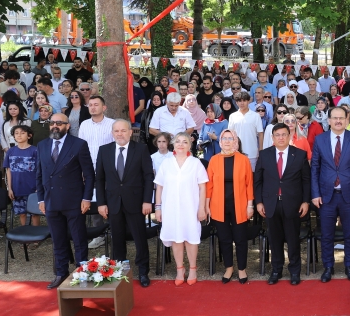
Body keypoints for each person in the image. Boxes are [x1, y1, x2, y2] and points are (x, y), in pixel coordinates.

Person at [35, 112, 94, 289]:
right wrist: (40, 199)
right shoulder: (42, 145)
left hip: (74, 200)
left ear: (67, 126)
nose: (55, 126)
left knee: (79, 239)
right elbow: (39, 174)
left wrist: (86, 198)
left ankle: (82, 273)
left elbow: (89, 175)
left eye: (59, 123)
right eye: (52, 123)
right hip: (50, 201)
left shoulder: (79, 144)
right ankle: (61, 273)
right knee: (58, 239)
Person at [95, 120, 155, 287]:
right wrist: (101, 203)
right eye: (116, 131)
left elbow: (148, 177)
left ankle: (143, 271)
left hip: (136, 202)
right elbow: (99, 179)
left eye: (123, 130)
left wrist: (147, 200)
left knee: (139, 238)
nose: (120, 134)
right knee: (117, 238)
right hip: (112, 202)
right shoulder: (104, 150)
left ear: (130, 132)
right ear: (112, 133)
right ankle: (119, 270)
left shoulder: (141, 149)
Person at [311, 106, 350, 283]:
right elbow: (314, 169)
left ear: (347, 120)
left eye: (341, 118)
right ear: (328, 121)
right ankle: (328, 267)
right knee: (327, 235)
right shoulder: (320, 140)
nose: (338, 121)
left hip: (349, 196)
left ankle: (349, 266)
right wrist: (315, 194)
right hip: (326, 196)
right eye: (334, 118)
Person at [255, 122, 310, 285]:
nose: (280, 138)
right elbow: (258, 181)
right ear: (272, 137)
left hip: (292, 204)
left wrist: (305, 201)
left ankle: (295, 271)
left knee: (293, 239)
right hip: (270, 204)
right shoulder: (264, 155)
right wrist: (259, 202)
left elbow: (306, 181)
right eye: (277, 135)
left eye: (283, 134)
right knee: (275, 239)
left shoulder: (299, 154)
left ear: (289, 136)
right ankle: (276, 270)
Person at [154, 132, 209, 286]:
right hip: (170, 208)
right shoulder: (166, 163)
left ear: (189, 145)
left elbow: (202, 187)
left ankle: (192, 268)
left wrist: (202, 208)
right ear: (173, 144)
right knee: (176, 238)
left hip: (190, 208)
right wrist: (158, 208)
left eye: (184, 142)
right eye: (178, 141)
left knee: (190, 238)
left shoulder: (196, 163)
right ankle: (180, 269)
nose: (180, 144)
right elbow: (159, 187)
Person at [205, 129, 254, 284]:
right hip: (218, 206)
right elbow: (209, 185)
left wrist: (250, 205)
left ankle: (242, 269)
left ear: (235, 141)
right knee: (225, 239)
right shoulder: (214, 160)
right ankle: (229, 268)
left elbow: (249, 184)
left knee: (240, 239)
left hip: (240, 205)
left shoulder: (243, 160)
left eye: (230, 138)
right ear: (220, 141)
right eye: (224, 138)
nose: (227, 141)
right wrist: (206, 205)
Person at [3, 125, 40, 227]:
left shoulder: (35, 151)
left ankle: (37, 234)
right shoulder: (11, 151)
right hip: (17, 189)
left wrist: (38, 187)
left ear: (29, 136)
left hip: (32, 189)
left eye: (22, 133)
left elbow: (40, 171)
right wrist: (9, 188)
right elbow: (8, 170)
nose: (19, 135)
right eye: (16, 133)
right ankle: (25, 233)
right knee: (22, 213)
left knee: (35, 214)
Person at [227, 91, 263, 172]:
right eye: (239, 101)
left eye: (244, 100)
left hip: (252, 152)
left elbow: (260, 134)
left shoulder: (256, 116)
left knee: (252, 175)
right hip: (236, 152)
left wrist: (260, 150)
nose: (242, 103)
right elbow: (230, 134)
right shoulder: (232, 116)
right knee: (238, 175)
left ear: (248, 101)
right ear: (236, 102)